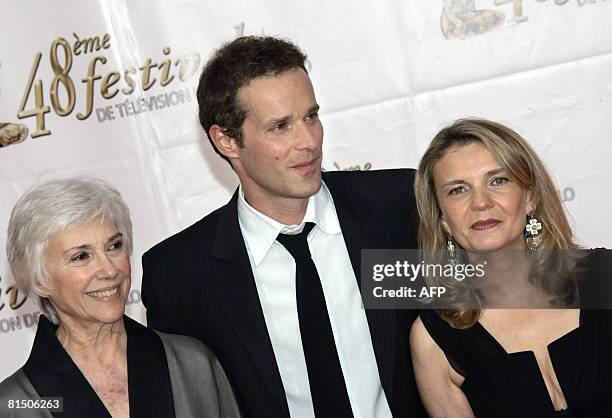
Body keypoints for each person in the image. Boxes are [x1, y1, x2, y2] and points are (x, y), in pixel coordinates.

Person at [141, 36, 426, 417]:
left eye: (311, 116)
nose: (308, 141)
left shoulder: (397, 208)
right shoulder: (181, 274)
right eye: (280, 126)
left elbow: (488, 312)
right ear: (226, 140)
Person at [410, 118, 612, 417]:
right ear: (442, 219)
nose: (481, 202)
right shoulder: (434, 341)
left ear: (530, 197)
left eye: (498, 180)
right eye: (458, 190)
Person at [0, 178, 240, 418]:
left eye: (114, 246)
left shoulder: (192, 365)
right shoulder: (16, 404)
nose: (110, 270)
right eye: (81, 256)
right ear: (39, 279)